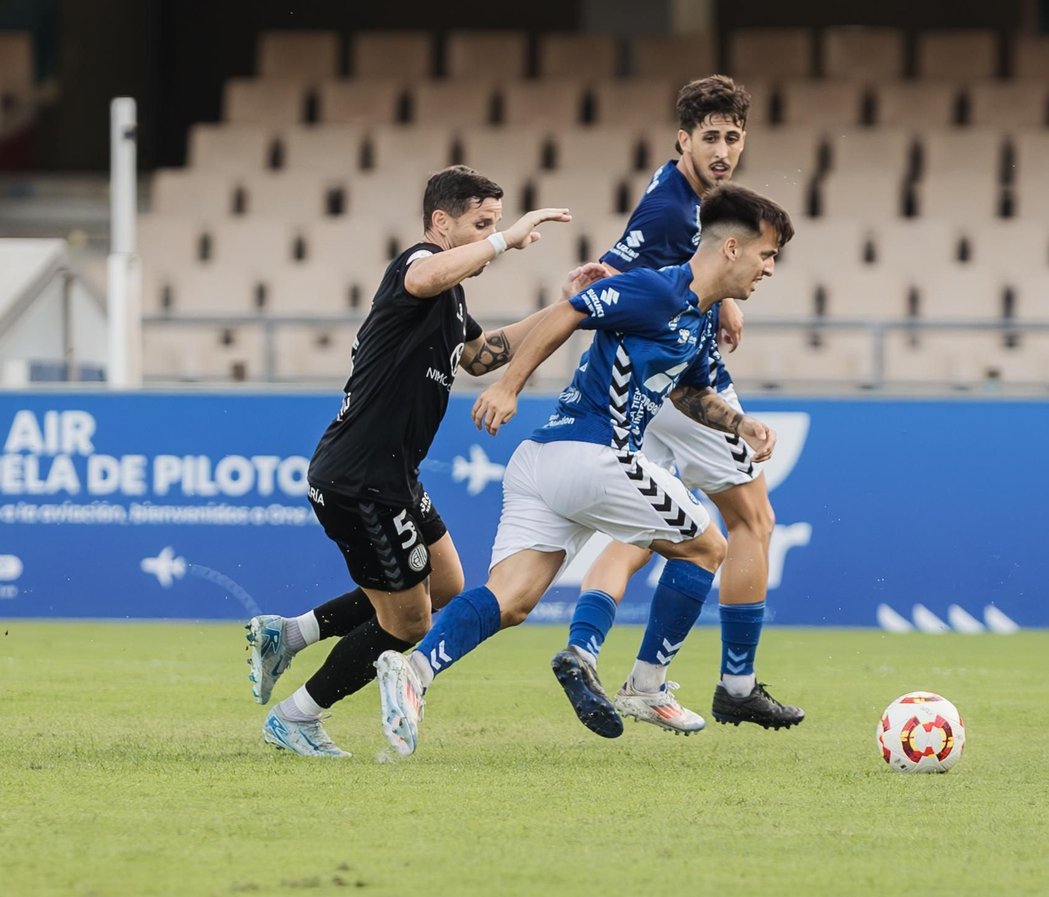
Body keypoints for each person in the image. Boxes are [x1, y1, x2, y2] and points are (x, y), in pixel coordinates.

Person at [372, 183, 794, 756]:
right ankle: (646, 686)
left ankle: (413, 673)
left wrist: (740, 426)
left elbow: (691, 393)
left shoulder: (697, 319)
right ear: (731, 249)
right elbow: (571, 310)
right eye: (766, 254)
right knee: (708, 547)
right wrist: (508, 383)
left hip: (543, 464)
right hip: (593, 455)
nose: (769, 269)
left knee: (512, 599)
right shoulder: (655, 289)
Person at [248, 165, 596, 756]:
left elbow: (484, 356)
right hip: (362, 479)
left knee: (446, 587)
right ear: (441, 223)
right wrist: (507, 239)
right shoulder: (416, 265)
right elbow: (426, 272)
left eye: (497, 224)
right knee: (409, 625)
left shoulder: (451, 299)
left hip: (394, 477)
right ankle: (297, 716)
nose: (494, 235)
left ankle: (290, 633)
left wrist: (573, 307)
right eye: (481, 224)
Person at [564, 74, 805, 732]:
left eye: (732, 137)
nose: (723, 149)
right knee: (753, 520)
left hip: (650, 381)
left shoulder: (692, 198)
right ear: (683, 139)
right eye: (710, 137)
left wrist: (722, 296)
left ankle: (583, 650)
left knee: (647, 530)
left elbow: (669, 265)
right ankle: (736, 683)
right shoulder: (675, 207)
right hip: (680, 384)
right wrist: (598, 279)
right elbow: (623, 268)